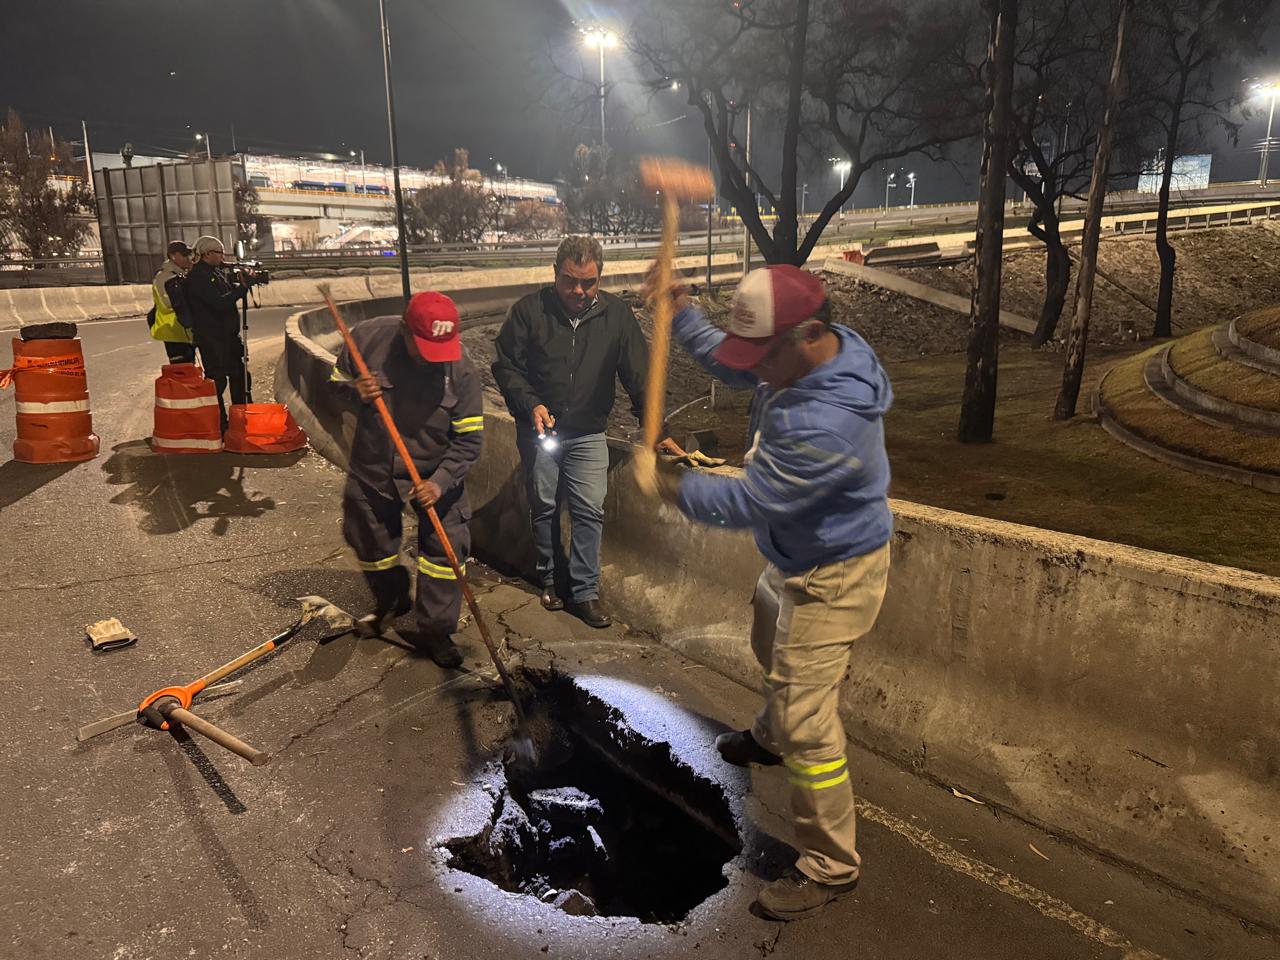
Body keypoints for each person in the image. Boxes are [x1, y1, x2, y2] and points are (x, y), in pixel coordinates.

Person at [637, 264, 893, 922]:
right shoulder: (814, 353)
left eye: (765, 355)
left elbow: (751, 500)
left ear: (807, 334)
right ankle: (773, 735)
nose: (755, 371)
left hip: (831, 574)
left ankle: (830, 865)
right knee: (766, 636)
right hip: (798, 552)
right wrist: (683, 313)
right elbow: (737, 365)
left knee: (811, 720)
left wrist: (669, 486)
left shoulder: (827, 423)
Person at [491, 235, 648, 628]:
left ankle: (585, 592)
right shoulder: (529, 312)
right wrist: (531, 406)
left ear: (600, 278)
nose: (579, 291)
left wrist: (654, 424)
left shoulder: (617, 317)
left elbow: (639, 374)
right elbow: (507, 366)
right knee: (543, 504)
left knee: (589, 510)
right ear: (555, 274)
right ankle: (549, 577)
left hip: (589, 432)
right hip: (540, 430)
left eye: (589, 282)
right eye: (570, 281)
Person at [331, 291, 484, 669]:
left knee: (445, 556)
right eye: (425, 349)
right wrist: (354, 392)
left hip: (434, 473)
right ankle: (392, 599)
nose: (435, 360)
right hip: (374, 467)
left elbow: (469, 442)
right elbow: (332, 386)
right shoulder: (366, 339)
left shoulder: (462, 371)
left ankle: (435, 630)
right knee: (368, 539)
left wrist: (441, 482)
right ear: (403, 330)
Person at [185, 235, 248, 431]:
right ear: (207, 254)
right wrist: (242, 290)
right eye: (219, 253)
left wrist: (241, 282)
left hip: (227, 337)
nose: (222, 257)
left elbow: (225, 294)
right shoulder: (197, 277)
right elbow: (219, 303)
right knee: (217, 382)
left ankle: (241, 419)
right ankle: (219, 423)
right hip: (212, 338)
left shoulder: (216, 273)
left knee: (239, 376)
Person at [149, 240, 196, 364]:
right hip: (172, 331)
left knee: (189, 367)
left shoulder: (180, 274)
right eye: (185, 255)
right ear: (173, 256)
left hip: (182, 330)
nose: (189, 258)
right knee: (181, 369)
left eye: (189, 255)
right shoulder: (165, 276)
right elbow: (168, 303)